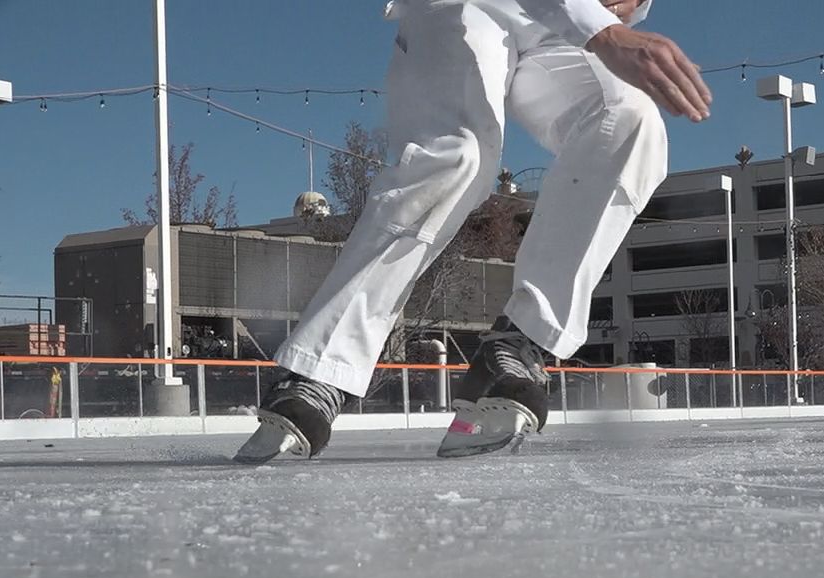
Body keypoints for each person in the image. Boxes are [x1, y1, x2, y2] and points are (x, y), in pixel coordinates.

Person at [236, 0, 711, 463]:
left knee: (631, 122)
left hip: (558, 28)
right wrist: (604, 32)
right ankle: (319, 370)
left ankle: (519, 341)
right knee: (458, 158)